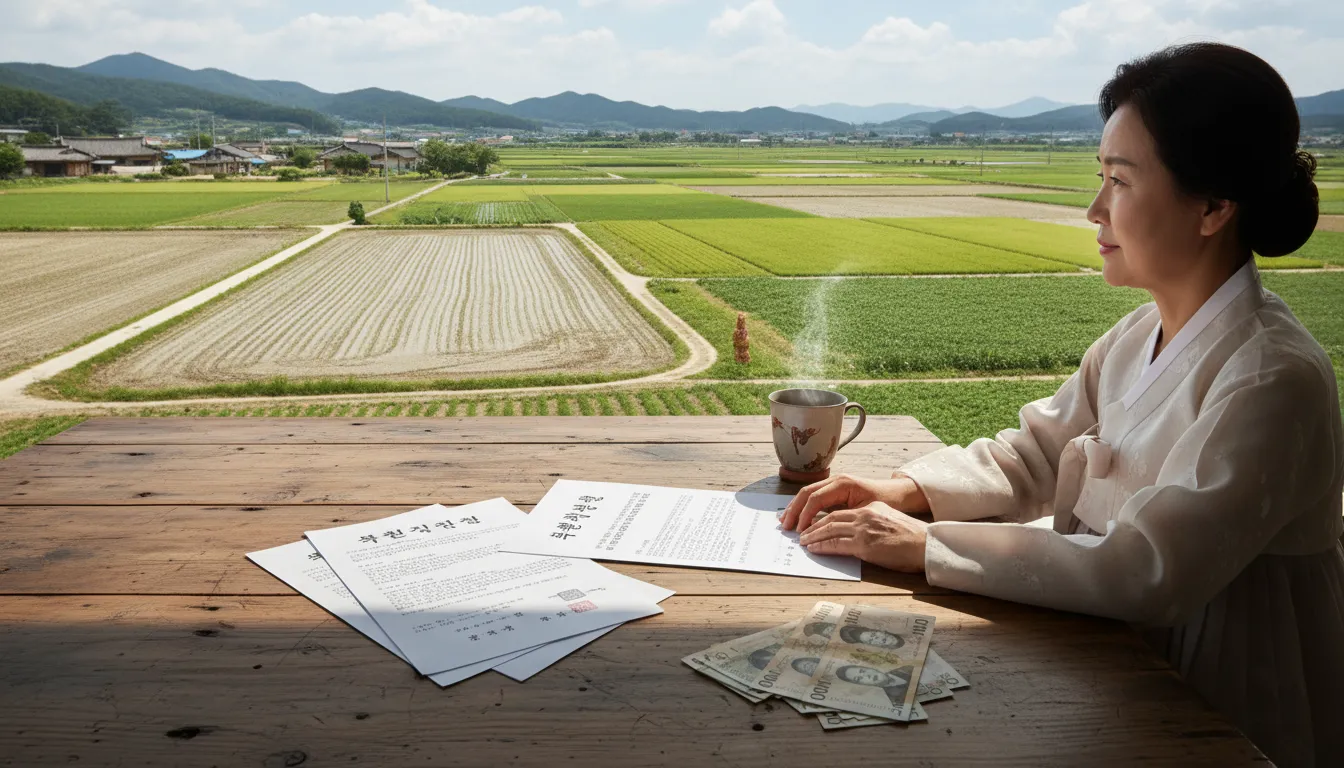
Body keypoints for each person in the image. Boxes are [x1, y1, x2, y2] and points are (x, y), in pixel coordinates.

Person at [779, 42, 1343, 768]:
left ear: (1212, 205)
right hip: (1113, 658)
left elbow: (1147, 567)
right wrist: (908, 490)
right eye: (1099, 178)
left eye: (1120, 181)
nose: (1094, 209)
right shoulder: (1140, 333)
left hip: (1223, 698)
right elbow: (1036, 453)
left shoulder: (1272, 377)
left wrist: (930, 546)